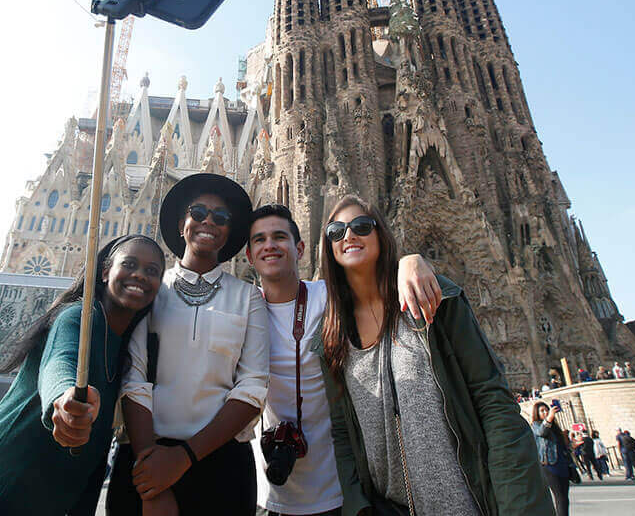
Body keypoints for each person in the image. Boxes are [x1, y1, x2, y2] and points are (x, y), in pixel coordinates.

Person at [318, 194, 553, 516]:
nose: (348, 235)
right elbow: (342, 433)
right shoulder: (332, 334)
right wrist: (359, 508)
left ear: (381, 234)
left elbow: (494, 402)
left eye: (361, 226)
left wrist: (519, 506)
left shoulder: (433, 300)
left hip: (467, 502)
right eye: (336, 231)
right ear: (327, 245)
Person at [0, 235, 164, 516]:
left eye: (152, 271)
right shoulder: (76, 316)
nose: (139, 275)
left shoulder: (128, 349)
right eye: (129, 264)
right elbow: (60, 362)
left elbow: (95, 451)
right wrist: (65, 400)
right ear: (105, 271)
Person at [243, 204, 438, 516]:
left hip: (342, 491)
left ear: (300, 248)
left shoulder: (329, 297)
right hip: (271, 496)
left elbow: (375, 281)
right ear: (249, 256)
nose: (269, 245)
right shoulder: (240, 311)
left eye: (279, 237)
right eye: (259, 240)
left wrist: (409, 262)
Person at [109, 173, 268, 516]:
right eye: (198, 213)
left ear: (228, 231)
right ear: (183, 223)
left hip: (222, 463)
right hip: (145, 456)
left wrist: (184, 457)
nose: (208, 221)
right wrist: (153, 481)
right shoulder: (153, 288)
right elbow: (134, 380)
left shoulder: (247, 298)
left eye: (221, 217)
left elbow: (253, 386)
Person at [531, 402, 572, 516]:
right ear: (537, 413)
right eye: (542, 411)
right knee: (559, 496)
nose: (545, 413)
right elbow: (542, 432)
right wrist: (549, 418)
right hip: (549, 465)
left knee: (564, 497)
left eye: (546, 410)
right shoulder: (536, 425)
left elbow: (563, 446)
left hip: (562, 464)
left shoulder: (555, 427)